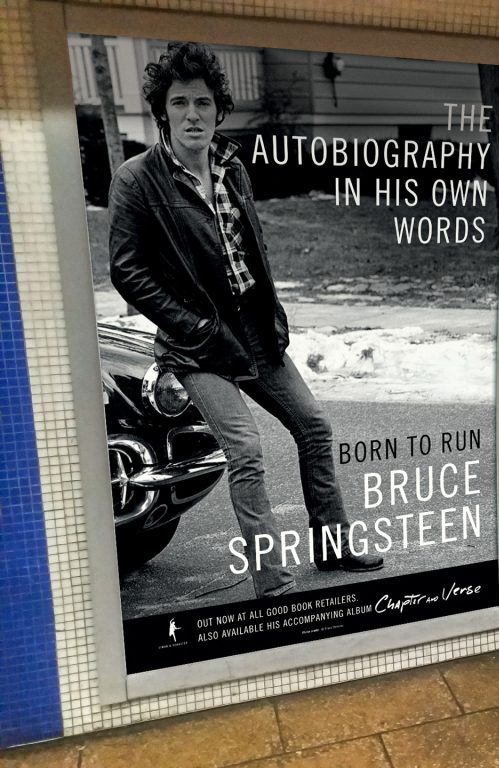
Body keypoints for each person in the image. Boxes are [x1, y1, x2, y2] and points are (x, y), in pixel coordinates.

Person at [108, 41, 383, 598]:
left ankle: (334, 546)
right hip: (198, 344)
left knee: (314, 426)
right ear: (162, 110)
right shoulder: (137, 179)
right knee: (246, 451)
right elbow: (126, 271)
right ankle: (272, 580)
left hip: (257, 334)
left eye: (203, 103)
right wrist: (194, 327)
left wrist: (273, 317)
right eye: (180, 102)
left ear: (218, 109)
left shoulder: (231, 167)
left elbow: (249, 249)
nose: (192, 114)